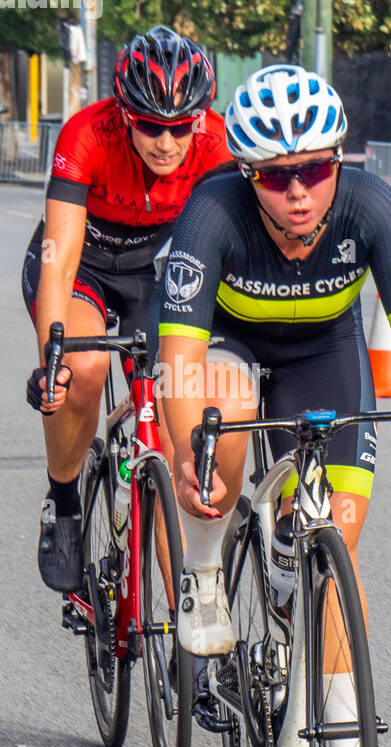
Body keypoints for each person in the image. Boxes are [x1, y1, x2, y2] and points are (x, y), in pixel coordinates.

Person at [157, 65, 391, 747]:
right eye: (276, 176)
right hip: (229, 347)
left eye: (315, 170)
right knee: (218, 423)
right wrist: (193, 461)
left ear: (339, 162)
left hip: (324, 355)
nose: (298, 191)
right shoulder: (211, 214)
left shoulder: (375, 209)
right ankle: (203, 578)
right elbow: (179, 365)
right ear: (247, 174)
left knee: (333, 562)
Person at [23, 26, 230, 591]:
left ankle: (191, 631)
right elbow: (60, 260)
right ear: (123, 113)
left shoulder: (218, 145)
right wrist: (52, 361)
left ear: (200, 119)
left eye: (180, 127)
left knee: (166, 422)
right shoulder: (86, 134)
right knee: (84, 372)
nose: (166, 143)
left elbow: (227, 248)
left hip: (153, 273)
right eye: (150, 127)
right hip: (83, 266)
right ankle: (64, 503)